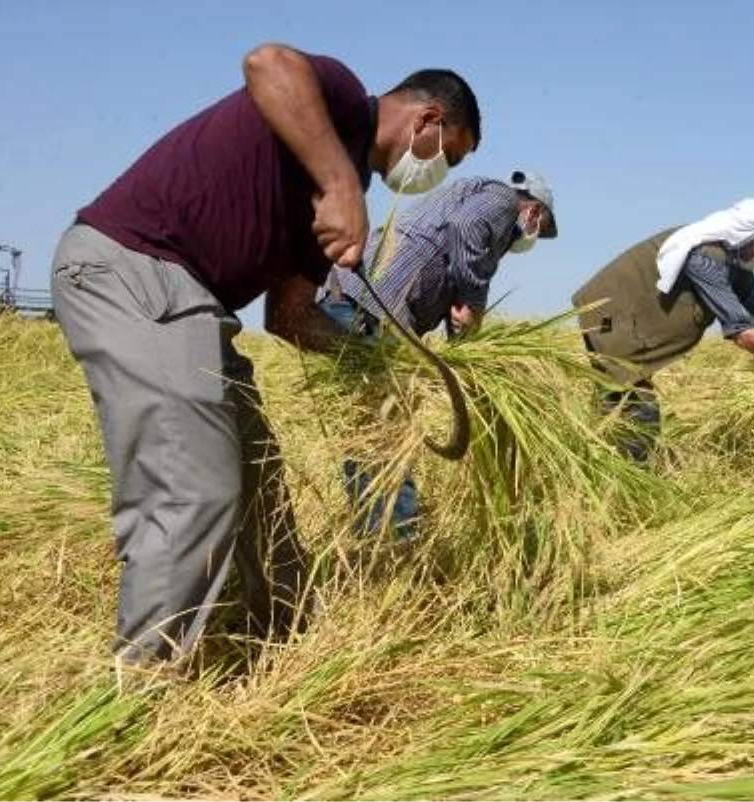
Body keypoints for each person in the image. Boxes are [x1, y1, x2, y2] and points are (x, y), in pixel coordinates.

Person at [49, 42, 482, 666]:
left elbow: (290, 317)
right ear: (428, 122)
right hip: (135, 269)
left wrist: (375, 356)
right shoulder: (335, 98)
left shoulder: (342, 179)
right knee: (194, 488)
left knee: (258, 477)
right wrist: (340, 188)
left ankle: (281, 641)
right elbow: (268, 62)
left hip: (195, 305)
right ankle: (140, 692)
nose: (439, 170)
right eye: (449, 154)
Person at [320, 169, 559, 536]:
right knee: (387, 431)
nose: (533, 236)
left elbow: (458, 298)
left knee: (369, 430)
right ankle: (398, 541)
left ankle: (377, 538)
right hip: (368, 306)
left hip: (363, 305)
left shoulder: (482, 237)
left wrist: (469, 358)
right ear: (534, 211)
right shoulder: (501, 200)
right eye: (540, 227)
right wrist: (474, 302)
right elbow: (466, 228)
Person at [571, 198, 754, 461]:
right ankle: (629, 483)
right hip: (611, 315)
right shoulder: (705, 257)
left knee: (615, 405)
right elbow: (743, 334)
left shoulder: (737, 267)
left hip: (629, 322)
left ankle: (595, 462)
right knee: (639, 409)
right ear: (750, 236)